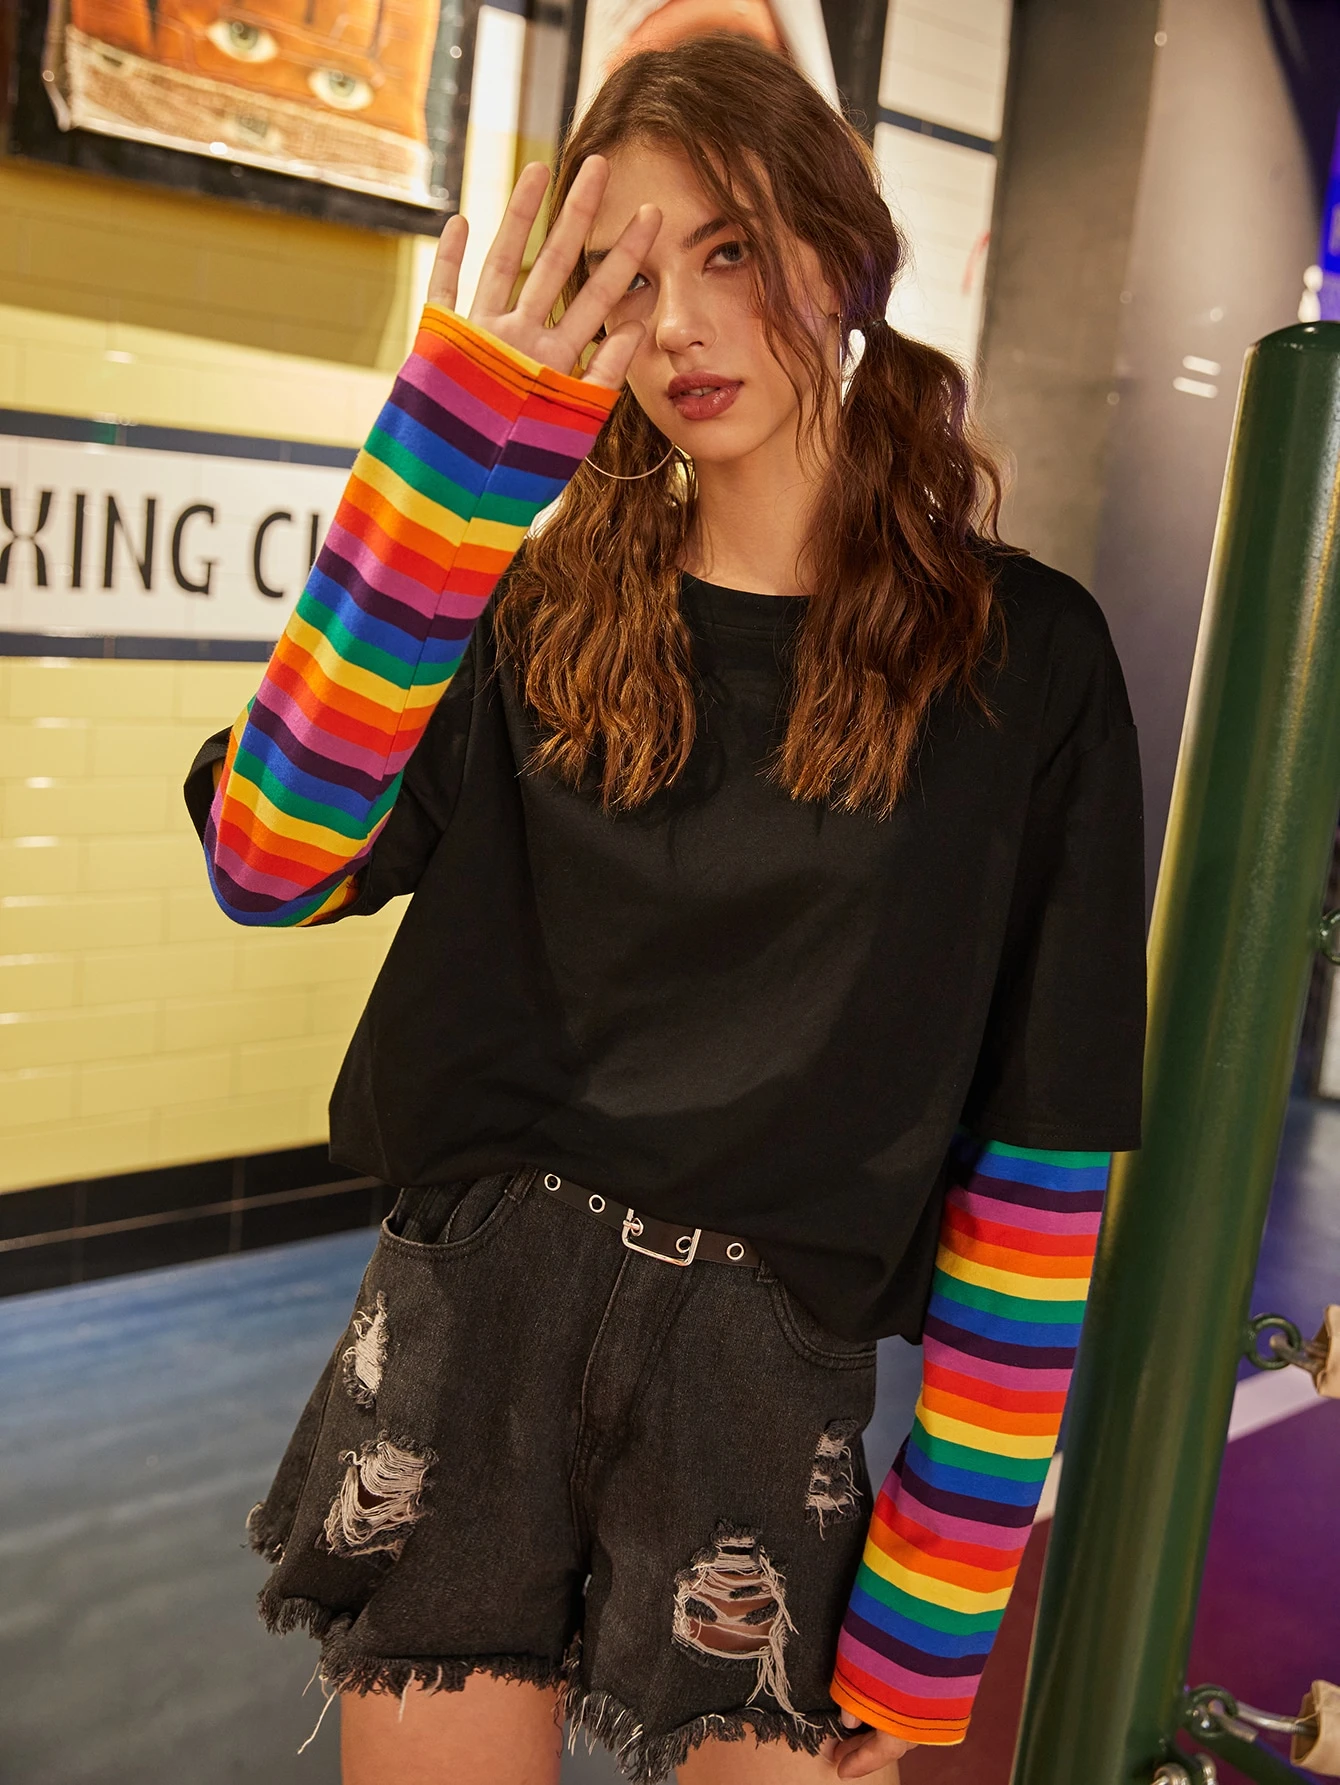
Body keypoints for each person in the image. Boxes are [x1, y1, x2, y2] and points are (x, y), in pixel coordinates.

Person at [184, 33, 1145, 1785]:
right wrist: (452, 461)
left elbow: (1043, 1156)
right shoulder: (529, 605)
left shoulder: (1026, 659)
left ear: (841, 253)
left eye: (731, 250)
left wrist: (935, 1611)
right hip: (469, 1326)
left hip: (757, 1386)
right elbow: (269, 857)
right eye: (629, 277)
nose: (682, 327)